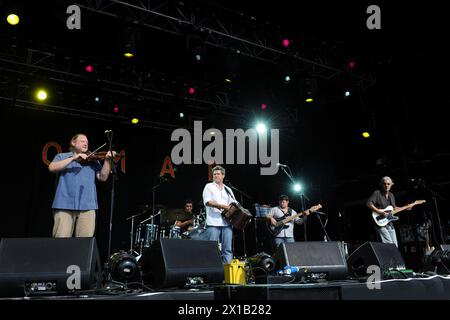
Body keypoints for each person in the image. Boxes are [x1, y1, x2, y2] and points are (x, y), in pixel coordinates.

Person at [48, 133, 114, 238]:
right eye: (83, 141)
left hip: (88, 206)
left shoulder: (93, 160)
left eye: (87, 142)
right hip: (64, 205)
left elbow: (103, 177)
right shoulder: (62, 156)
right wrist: (73, 158)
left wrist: (107, 161)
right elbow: (51, 168)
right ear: (73, 143)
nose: (86, 143)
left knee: (84, 243)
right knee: (60, 241)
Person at [202, 165, 235, 264]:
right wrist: (223, 206)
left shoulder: (228, 189)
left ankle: (227, 274)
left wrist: (242, 215)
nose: (215, 175)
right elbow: (207, 202)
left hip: (227, 223)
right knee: (211, 249)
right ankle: (211, 271)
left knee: (227, 250)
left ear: (223, 176)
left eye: (218, 174)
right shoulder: (209, 187)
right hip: (213, 223)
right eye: (214, 174)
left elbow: (234, 204)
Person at [367, 176, 400, 247]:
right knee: (389, 244)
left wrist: (406, 207)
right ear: (381, 184)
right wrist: (380, 212)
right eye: (384, 184)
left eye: (388, 184)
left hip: (389, 223)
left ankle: (393, 258)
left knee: (395, 245)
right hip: (380, 223)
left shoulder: (391, 195)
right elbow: (369, 203)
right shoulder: (377, 193)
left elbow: (394, 208)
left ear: (392, 184)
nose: (386, 185)